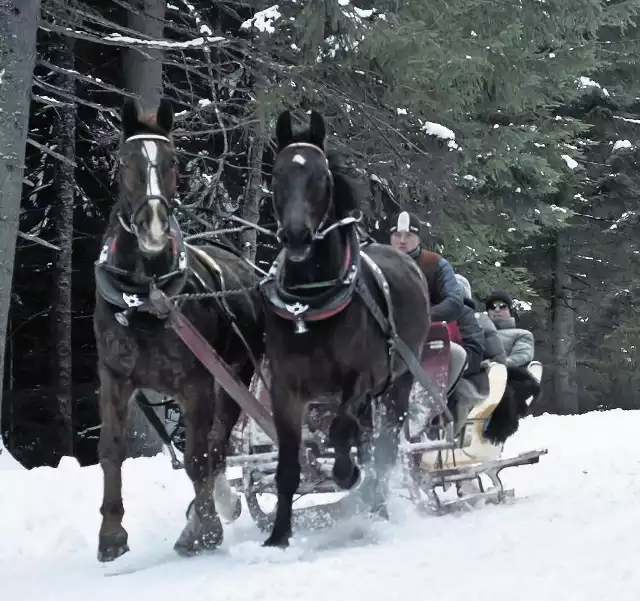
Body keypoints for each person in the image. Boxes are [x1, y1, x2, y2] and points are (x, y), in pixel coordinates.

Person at [389, 211, 464, 325]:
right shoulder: (377, 263)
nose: (402, 241)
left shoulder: (435, 263)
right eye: (397, 235)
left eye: (409, 235)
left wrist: (422, 316)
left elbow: (454, 302)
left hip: (429, 332)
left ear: (418, 239)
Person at [485, 291, 541, 417]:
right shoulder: (478, 333)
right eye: (492, 307)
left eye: (502, 306)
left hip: (505, 375)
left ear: (510, 310)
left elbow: (522, 356)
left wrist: (496, 365)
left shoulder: (521, 334)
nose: (497, 310)